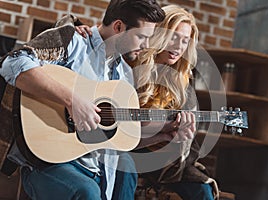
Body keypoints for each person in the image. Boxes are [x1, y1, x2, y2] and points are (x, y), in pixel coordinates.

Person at [0, 0, 165, 199]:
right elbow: (12, 62)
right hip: (48, 161)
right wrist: (72, 101)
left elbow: (118, 138)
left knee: (126, 168)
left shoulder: (125, 74)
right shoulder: (73, 40)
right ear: (119, 26)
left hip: (96, 166)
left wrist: (162, 136)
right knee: (87, 191)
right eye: (141, 36)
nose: (146, 45)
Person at [132, 5, 219, 200]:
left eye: (185, 41)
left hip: (167, 160)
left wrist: (181, 133)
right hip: (129, 152)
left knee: (203, 191)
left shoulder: (182, 81)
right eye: (174, 37)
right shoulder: (132, 63)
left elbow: (185, 140)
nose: (179, 47)